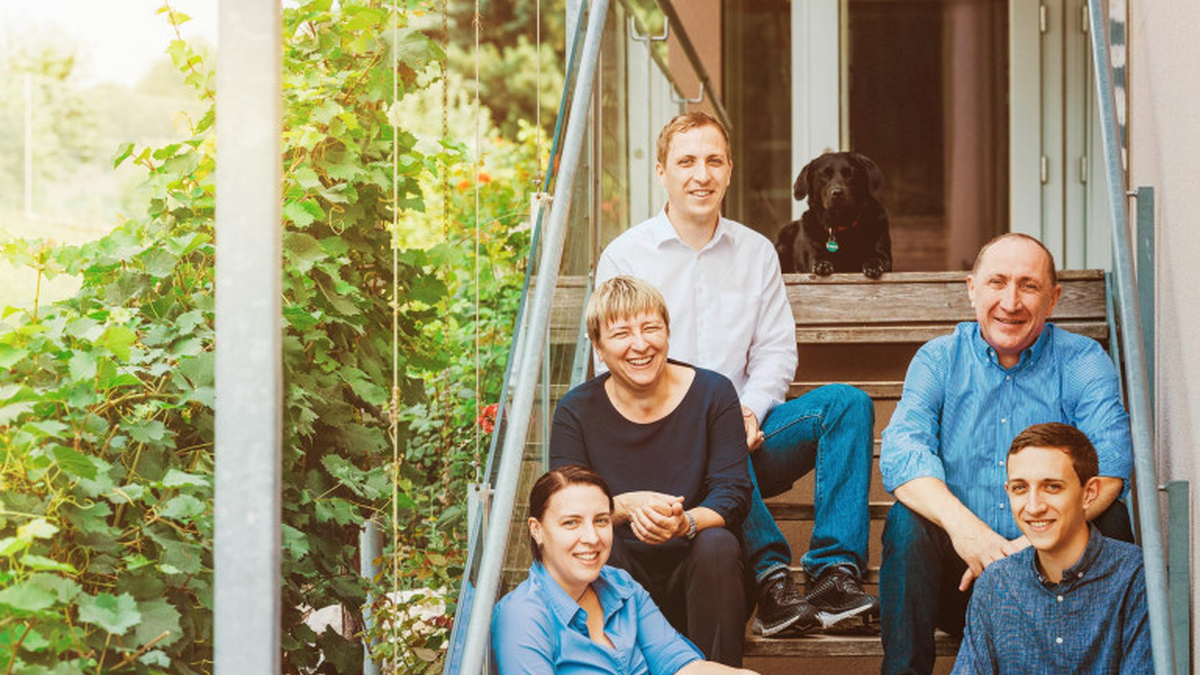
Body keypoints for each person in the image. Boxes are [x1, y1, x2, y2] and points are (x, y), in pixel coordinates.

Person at [595, 111, 877, 637]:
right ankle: (771, 579)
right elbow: (611, 368)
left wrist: (748, 409)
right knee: (710, 423)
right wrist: (718, 421)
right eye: (686, 162)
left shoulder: (756, 252)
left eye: (713, 161)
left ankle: (833, 574)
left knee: (848, 404)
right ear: (661, 172)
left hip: (754, 437)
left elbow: (776, 352)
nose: (701, 175)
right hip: (672, 450)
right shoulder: (626, 256)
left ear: (729, 171)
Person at [879, 233, 1136, 675]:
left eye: (1028, 286)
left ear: (1053, 299)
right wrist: (969, 533)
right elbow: (902, 453)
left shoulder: (1082, 361)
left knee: (1111, 517)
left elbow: (1110, 465)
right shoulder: (938, 359)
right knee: (907, 522)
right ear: (972, 289)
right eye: (997, 282)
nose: (1011, 302)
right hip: (962, 580)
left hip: (1057, 579)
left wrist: (1022, 551)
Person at [549, 276, 751, 666]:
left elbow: (733, 493)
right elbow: (563, 505)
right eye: (621, 333)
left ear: (667, 333)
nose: (640, 344)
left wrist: (684, 523)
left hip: (702, 576)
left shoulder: (714, 392)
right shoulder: (576, 410)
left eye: (650, 328)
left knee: (717, 544)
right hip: (617, 574)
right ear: (598, 348)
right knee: (598, 546)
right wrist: (624, 507)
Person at [492, 465, 760, 675]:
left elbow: (680, 665)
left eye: (601, 521)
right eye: (571, 523)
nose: (592, 538)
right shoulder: (522, 615)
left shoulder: (620, 586)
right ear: (536, 530)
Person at [950, 422, 1150, 674]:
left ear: (1090, 493)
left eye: (1052, 487)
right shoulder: (996, 583)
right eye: (1020, 488)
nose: (1034, 507)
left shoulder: (1134, 576)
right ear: (1008, 492)